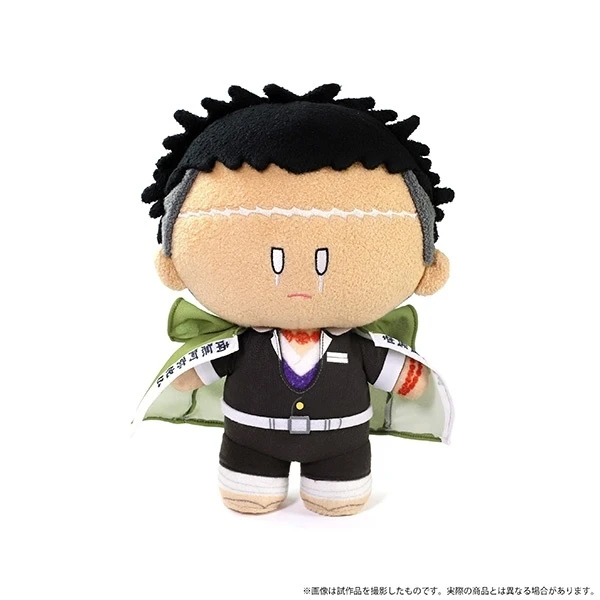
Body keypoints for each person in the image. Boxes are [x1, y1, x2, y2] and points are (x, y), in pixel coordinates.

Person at [137, 84, 455, 516]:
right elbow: (195, 372)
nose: (301, 280)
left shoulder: (358, 346)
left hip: (341, 442)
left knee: (339, 488)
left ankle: (334, 487)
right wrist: (188, 372)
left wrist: (411, 378)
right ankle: (253, 484)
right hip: (249, 439)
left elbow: (400, 375)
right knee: (248, 482)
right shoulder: (241, 345)